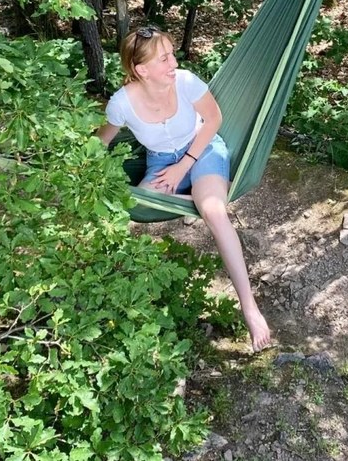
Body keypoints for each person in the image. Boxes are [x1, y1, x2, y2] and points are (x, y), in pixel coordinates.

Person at [96, 26, 272, 352]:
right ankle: (197, 198)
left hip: (202, 151)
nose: (173, 62)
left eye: (172, 54)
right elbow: (99, 143)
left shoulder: (186, 81)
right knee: (133, 203)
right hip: (160, 165)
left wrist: (184, 165)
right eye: (164, 59)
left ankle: (250, 307)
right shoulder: (121, 104)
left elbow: (214, 119)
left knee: (215, 214)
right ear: (141, 70)